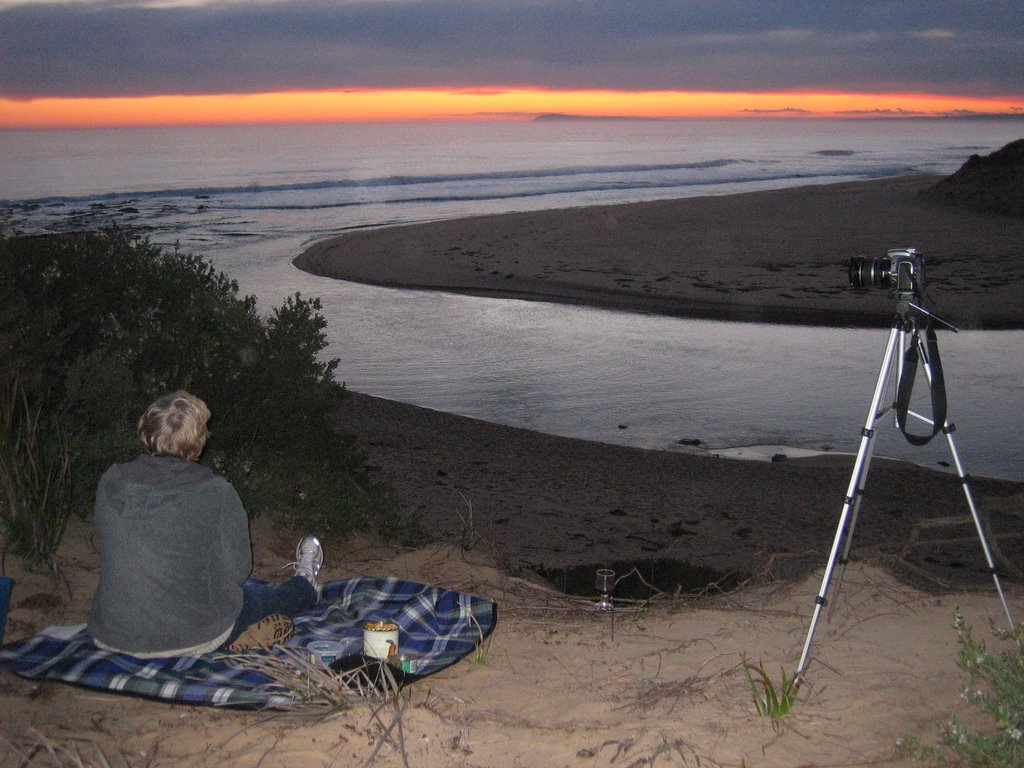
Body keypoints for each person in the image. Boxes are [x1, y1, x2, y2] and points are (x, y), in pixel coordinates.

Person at [87, 390, 323, 657]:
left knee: (231, 588)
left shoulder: (112, 481)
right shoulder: (216, 491)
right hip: (192, 636)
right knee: (261, 598)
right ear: (198, 441)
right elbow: (238, 571)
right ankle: (306, 584)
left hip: (111, 634)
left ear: (146, 431)